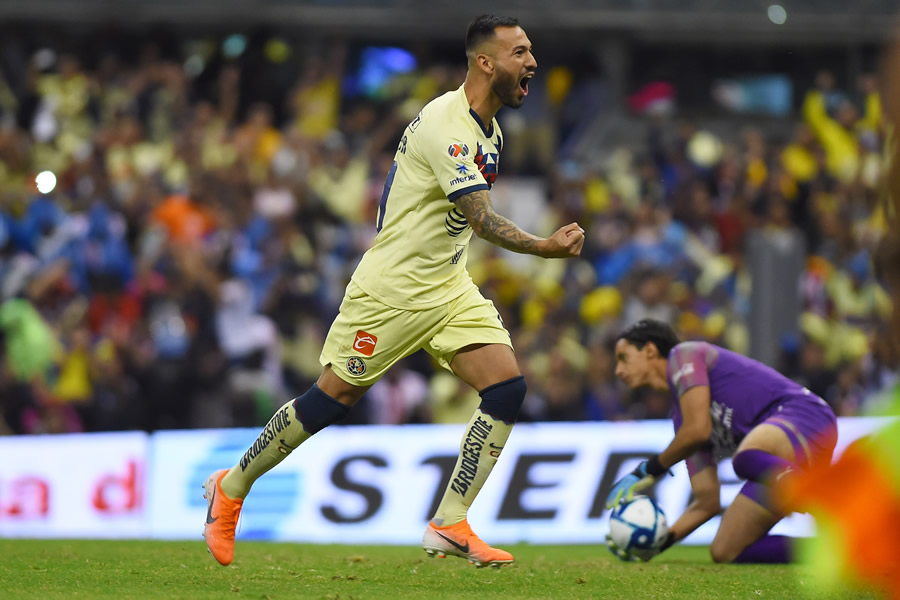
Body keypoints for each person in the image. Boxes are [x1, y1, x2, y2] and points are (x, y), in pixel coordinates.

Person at [202, 14, 584, 568]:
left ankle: (450, 522)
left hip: (448, 287)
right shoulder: (447, 124)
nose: (532, 61)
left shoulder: (491, 131)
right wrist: (543, 247)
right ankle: (231, 487)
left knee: (506, 388)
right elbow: (480, 220)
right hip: (391, 293)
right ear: (485, 62)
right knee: (330, 400)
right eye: (520, 52)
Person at [605, 319, 837, 563]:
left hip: (804, 414)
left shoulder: (684, 355)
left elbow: (698, 431)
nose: (618, 371)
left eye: (623, 358)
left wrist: (647, 470)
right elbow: (707, 502)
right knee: (726, 550)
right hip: (774, 463)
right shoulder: (682, 420)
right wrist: (657, 543)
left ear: (650, 351)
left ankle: (828, 499)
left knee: (745, 457)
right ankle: (837, 551)